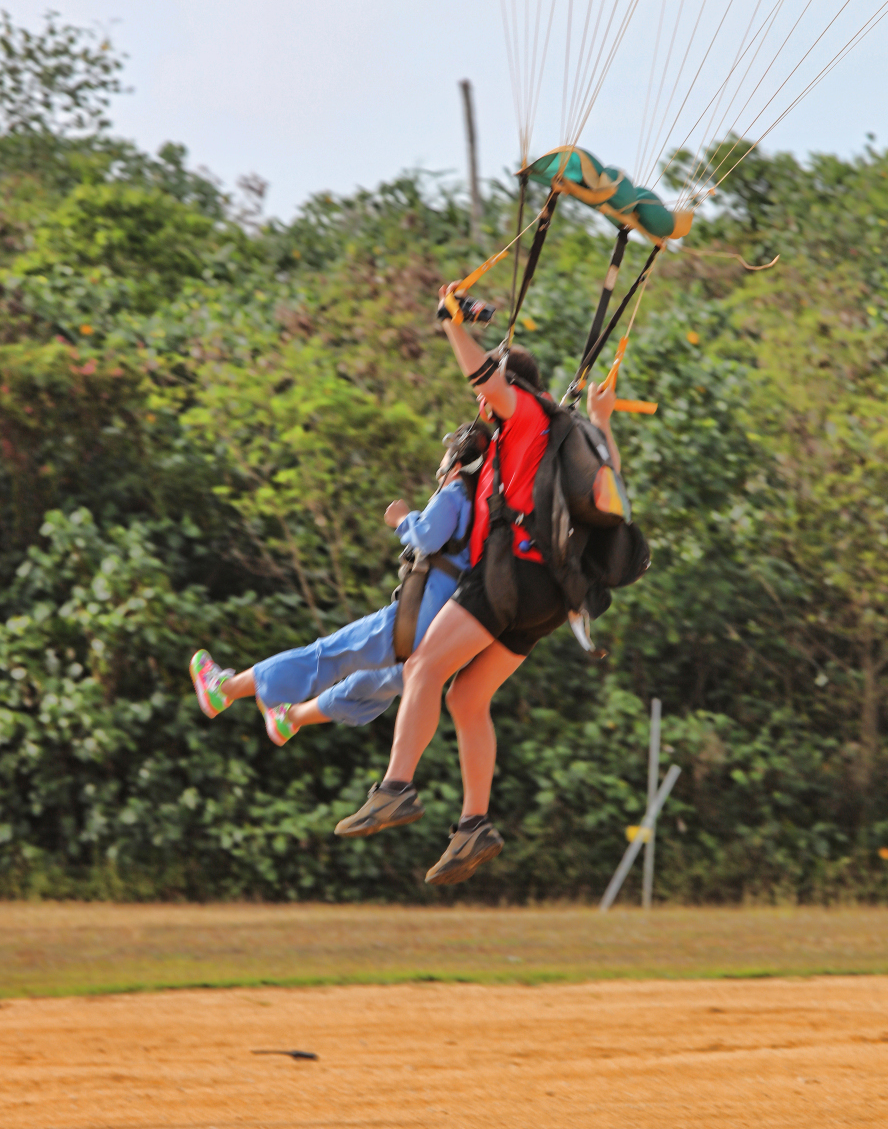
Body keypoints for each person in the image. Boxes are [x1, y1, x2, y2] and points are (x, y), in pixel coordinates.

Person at [335, 282, 621, 887]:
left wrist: (453, 327)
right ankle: (473, 826)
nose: (481, 411)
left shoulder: (523, 415)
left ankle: (396, 789)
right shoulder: (570, 429)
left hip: (510, 578)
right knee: (467, 699)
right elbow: (608, 484)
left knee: (423, 670)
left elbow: (485, 378)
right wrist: (602, 419)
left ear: (509, 391)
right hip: (551, 600)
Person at [187, 423, 489, 741]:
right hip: (441, 639)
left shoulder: (456, 493)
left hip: (413, 621)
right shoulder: (482, 511)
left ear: (456, 461)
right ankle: (290, 719)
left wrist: (402, 519)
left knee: (326, 655)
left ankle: (224, 690)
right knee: (366, 685)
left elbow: (427, 537)